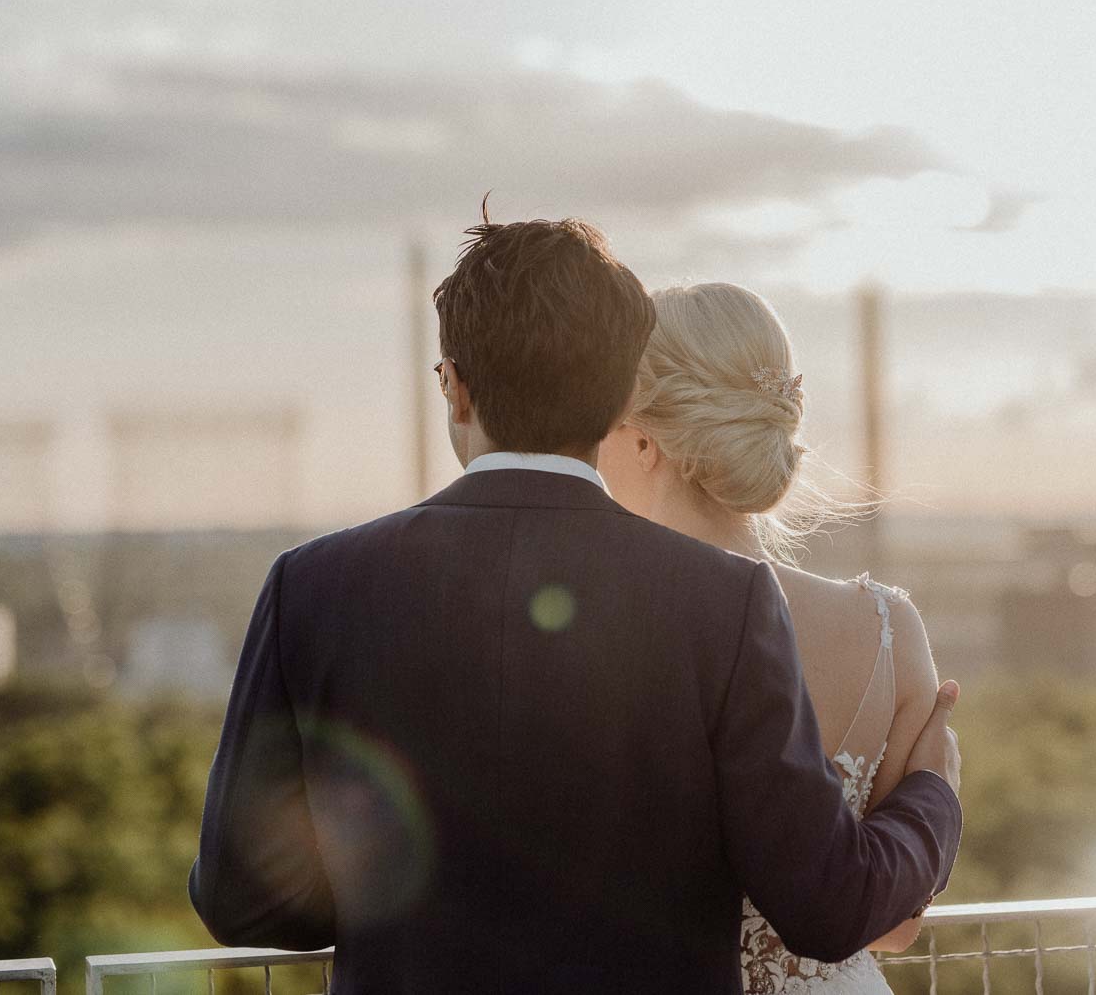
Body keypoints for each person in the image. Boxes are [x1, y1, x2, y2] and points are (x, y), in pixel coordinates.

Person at [187, 212, 962, 994]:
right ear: (617, 394)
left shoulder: (313, 585)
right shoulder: (725, 601)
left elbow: (244, 903)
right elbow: (826, 907)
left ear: (454, 387)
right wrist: (932, 794)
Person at [598, 282, 942, 994]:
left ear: (642, 438)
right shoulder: (888, 630)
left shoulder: (604, 629)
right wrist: (939, 795)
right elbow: (897, 925)